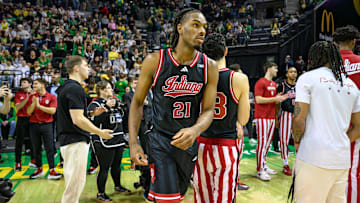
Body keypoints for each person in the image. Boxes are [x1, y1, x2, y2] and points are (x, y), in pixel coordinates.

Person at [129, 8, 218, 202]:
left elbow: (209, 110)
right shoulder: (155, 61)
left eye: (204, 27)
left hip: (188, 143)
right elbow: (136, 103)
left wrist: (195, 130)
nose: (202, 31)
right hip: (160, 140)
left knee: (178, 196)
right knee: (166, 199)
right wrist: (134, 143)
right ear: (180, 28)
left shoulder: (209, 66)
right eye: (195, 25)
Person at [292, 41, 360, 202]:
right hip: (341, 159)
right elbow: (358, 127)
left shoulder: (307, 78)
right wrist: (339, 141)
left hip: (313, 155)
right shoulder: (351, 85)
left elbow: (299, 120)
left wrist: (297, 142)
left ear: (314, 57)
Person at [193, 33, 250, 202]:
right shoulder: (238, 79)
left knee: (202, 198)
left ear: (204, 55)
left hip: (200, 145)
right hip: (225, 146)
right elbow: (244, 119)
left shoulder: (195, 77)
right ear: (226, 51)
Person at [56, 55, 113, 203]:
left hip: (70, 141)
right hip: (74, 141)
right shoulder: (75, 88)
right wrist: (100, 132)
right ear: (76, 68)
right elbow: (77, 119)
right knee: (74, 187)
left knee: (74, 185)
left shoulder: (67, 87)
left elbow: (74, 115)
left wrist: (92, 113)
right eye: (86, 65)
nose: (89, 68)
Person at [88, 80, 131, 202]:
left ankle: (118, 186)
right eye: (108, 88)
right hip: (102, 139)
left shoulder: (115, 100)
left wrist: (119, 107)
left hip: (117, 137)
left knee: (117, 166)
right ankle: (101, 193)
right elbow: (94, 120)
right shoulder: (94, 104)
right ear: (101, 90)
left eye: (111, 88)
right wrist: (107, 107)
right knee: (104, 167)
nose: (111, 90)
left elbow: (122, 116)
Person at [333, 25, 360, 203]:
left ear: (334, 43)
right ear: (353, 42)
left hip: (330, 123)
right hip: (355, 123)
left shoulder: (325, 66)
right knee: (353, 171)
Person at [254, 62, 288, 181]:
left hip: (271, 117)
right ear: (268, 68)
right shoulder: (260, 82)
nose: (277, 70)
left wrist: (279, 99)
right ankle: (259, 170)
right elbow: (258, 99)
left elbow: (272, 100)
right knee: (262, 143)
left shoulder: (273, 84)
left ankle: (263, 165)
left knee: (267, 144)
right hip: (262, 117)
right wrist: (275, 98)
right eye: (275, 68)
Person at [26, 78, 62, 179]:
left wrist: (39, 106)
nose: (34, 86)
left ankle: (52, 170)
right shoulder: (32, 97)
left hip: (47, 125)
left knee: (49, 148)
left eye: (36, 84)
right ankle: (39, 169)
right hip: (34, 125)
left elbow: (52, 111)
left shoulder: (51, 97)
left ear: (42, 85)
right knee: (36, 148)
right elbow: (28, 111)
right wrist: (34, 103)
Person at [276, 67, 297, 176]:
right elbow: (277, 102)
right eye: (291, 72)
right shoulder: (282, 86)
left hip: (298, 114)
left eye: (295, 72)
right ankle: (285, 163)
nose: (293, 74)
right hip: (286, 114)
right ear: (287, 74)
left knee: (299, 139)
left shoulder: (300, 86)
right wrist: (276, 117)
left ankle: (299, 163)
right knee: (284, 139)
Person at [14, 78, 34, 171]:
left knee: (34, 140)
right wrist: (28, 97)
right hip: (21, 119)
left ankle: (33, 160)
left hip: (32, 118)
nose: (22, 84)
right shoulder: (18, 94)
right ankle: (18, 162)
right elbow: (18, 107)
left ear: (30, 83)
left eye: (24, 82)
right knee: (19, 141)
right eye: (21, 82)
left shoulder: (35, 94)